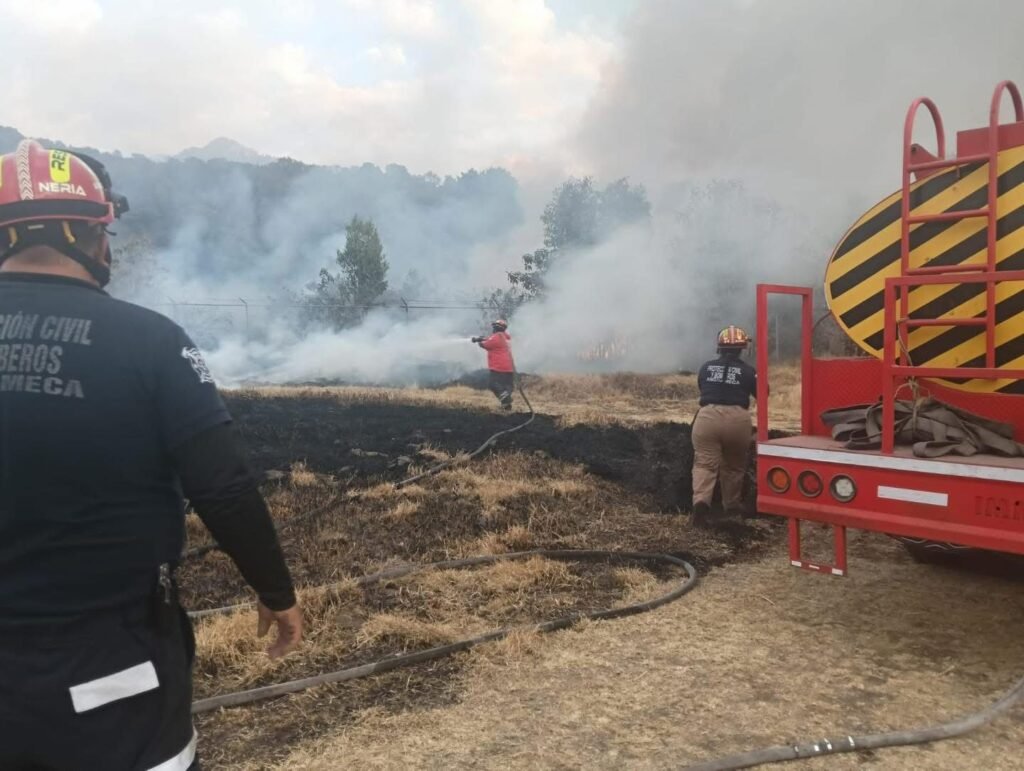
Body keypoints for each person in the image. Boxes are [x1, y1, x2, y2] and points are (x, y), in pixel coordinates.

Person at [0, 140, 302, 771]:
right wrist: (275, 591)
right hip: (112, 672)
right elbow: (223, 486)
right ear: (92, 234)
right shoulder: (151, 342)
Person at [690, 325, 758, 529]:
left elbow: (703, 388)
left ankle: (701, 504)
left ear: (719, 347)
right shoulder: (748, 371)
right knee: (734, 466)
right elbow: (763, 393)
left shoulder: (706, 367)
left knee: (704, 464)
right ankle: (732, 508)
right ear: (742, 348)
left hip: (708, 418)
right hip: (738, 420)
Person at [471, 319, 515, 410]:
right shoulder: (506, 337)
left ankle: (506, 400)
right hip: (509, 367)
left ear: (496, 328)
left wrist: (479, 341)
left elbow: (485, 345)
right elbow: (491, 339)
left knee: (493, 384)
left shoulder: (496, 337)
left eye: (494, 327)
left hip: (498, 367)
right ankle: (506, 406)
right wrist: (482, 338)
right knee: (506, 386)